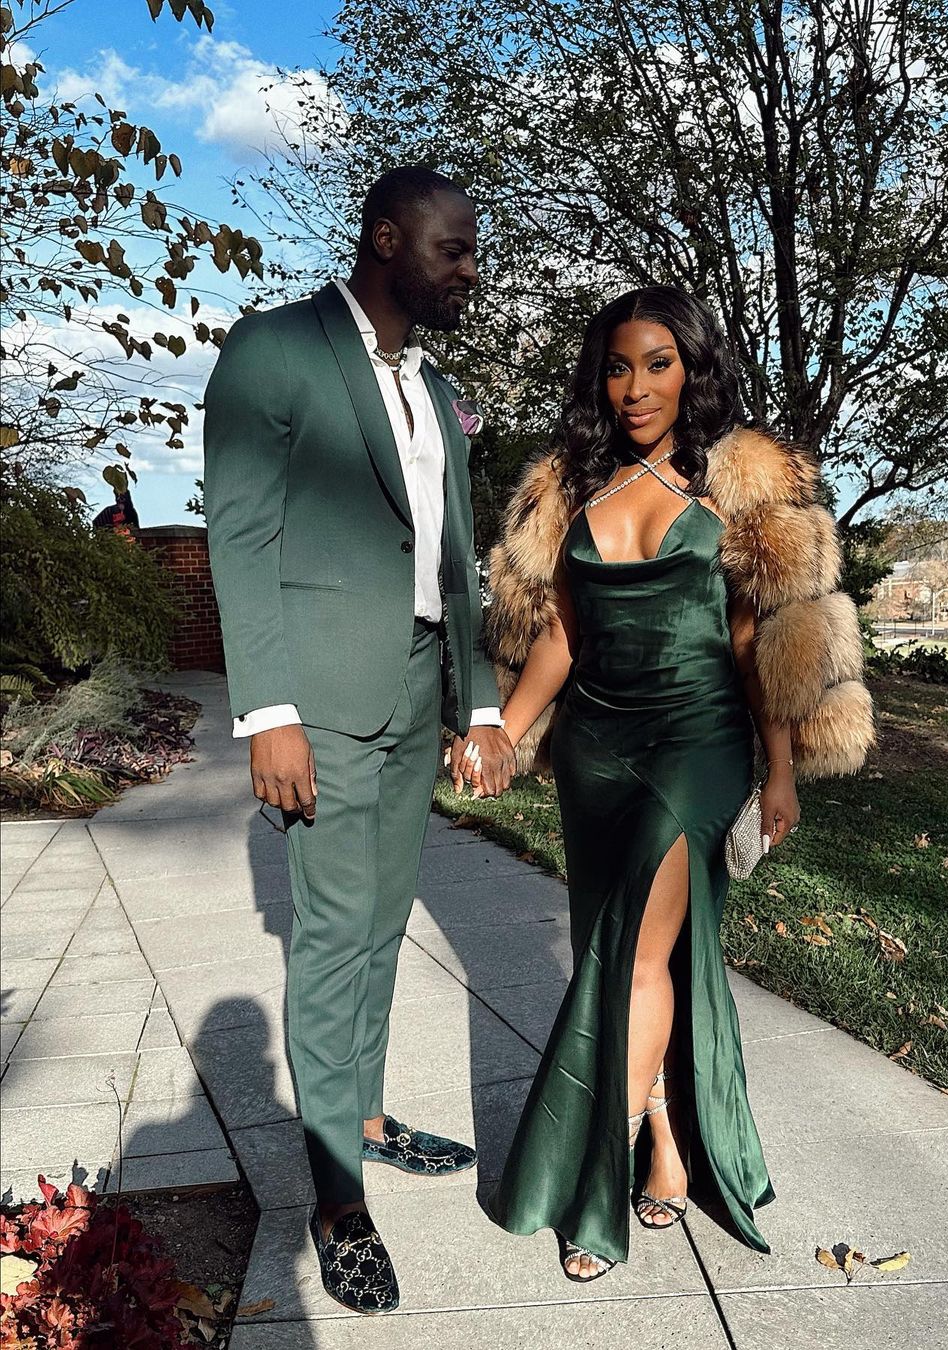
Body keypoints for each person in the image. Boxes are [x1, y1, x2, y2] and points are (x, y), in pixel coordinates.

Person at [484, 286, 874, 1280]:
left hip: (697, 742)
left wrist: (779, 770)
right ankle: (665, 1141)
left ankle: (597, 1178)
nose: (636, 387)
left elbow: (759, 644)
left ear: (693, 368)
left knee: (641, 956)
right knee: (619, 951)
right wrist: (506, 732)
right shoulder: (573, 485)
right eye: (618, 367)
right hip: (596, 751)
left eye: (658, 364)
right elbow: (561, 634)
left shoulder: (738, 483)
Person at [202, 166, 516, 1315]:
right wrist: (268, 712)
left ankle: (368, 1116)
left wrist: (480, 702)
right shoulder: (276, 350)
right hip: (322, 703)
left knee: (382, 924)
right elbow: (241, 535)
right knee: (333, 939)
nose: (471, 270)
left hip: (412, 690)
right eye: (453, 249)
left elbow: (456, 561)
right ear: (387, 240)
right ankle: (336, 1200)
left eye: (473, 250)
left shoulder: (436, 389)